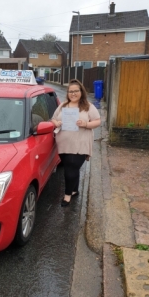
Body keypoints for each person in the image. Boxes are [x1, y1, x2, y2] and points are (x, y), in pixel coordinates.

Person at [51, 79, 101, 207]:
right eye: (70, 91)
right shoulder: (63, 106)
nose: (73, 94)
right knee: (72, 168)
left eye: (76, 91)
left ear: (81, 92)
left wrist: (85, 124)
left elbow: (97, 121)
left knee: (70, 169)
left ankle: (67, 195)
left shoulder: (88, 106)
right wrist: (56, 123)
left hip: (80, 144)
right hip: (63, 144)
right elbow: (53, 119)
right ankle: (75, 190)